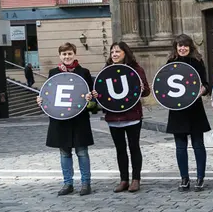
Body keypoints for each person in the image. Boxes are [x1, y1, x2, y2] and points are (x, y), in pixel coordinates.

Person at [36, 43, 97, 196]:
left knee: (82, 152)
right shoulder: (53, 73)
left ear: (75, 54)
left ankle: (85, 183)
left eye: (69, 54)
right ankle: (67, 183)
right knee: (64, 153)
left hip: (79, 119)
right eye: (64, 54)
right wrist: (41, 101)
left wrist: (91, 99)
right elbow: (49, 96)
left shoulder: (84, 72)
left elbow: (92, 105)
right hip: (60, 120)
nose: (67, 57)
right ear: (60, 56)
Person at [166, 34, 211, 192]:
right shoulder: (170, 63)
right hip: (177, 110)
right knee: (180, 146)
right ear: (176, 48)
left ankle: (200, 178)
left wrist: (202, 91)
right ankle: (184, 178)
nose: (182, 48)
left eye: (185, 46)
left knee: (198, 144)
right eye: (180, 46)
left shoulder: (197, 62)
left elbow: (206, 84)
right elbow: (165, 84)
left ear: (190, 47)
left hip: (195, 109)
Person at [103, 42, 150, 193]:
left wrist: (142, 89)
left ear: (125, 53)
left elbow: (146, 91)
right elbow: (102, 91)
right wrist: (97, 95)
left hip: (132, 115)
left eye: (118, 51)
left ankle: (136, 179)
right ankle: (124, 179)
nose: (114, 54)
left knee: (134, 147)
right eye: (112, 52)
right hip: (113, 117)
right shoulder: (107, 70)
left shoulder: (136, 69)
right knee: (120, 149)